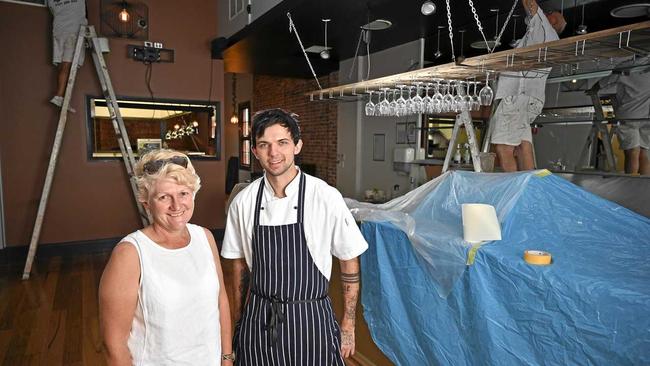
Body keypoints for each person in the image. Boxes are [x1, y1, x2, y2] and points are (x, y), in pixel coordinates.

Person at [221, 108, 368, 365]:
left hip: (311, 318)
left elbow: (349, 260)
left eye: (282, 143)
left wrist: (348, 322)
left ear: (297, 146)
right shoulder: (243, 202)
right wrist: (238, 321)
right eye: (264, 145)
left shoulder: (325, 196)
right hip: (259, 317)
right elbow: (238, 265)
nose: (273, 153)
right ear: (255, 151)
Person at [99, 149, 233, 365]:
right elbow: (114, 346)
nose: (176, 205)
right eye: (164, 197)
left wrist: (227, 358)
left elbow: (221, 301)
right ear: (146, 203)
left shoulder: (205, 238)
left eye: (183, 193)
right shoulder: (130, 254)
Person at [490, 0, 566, 172]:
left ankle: (515, 194)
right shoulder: (549, 40)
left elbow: (530, 5)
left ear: (551, 20)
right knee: (523, 146)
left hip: (518, 95)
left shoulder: (543, 29)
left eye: (547, 14)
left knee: (503, 147)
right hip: (531, 98)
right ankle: (531, 190)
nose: (543, 15)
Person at [590, 57, 650, 175]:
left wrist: (593, 90)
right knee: (644, 152)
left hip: (628, 114)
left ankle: (630, 185)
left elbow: (604, 82)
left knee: (632, 152)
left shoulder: (627, 66)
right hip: (647, 117)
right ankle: (645, 189)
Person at [47, 0, 88, 113]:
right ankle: (59, 96)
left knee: (62, 65)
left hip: (58, 31)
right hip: (73, 31)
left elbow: (53, 10)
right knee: (67, 65)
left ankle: (60, 97)